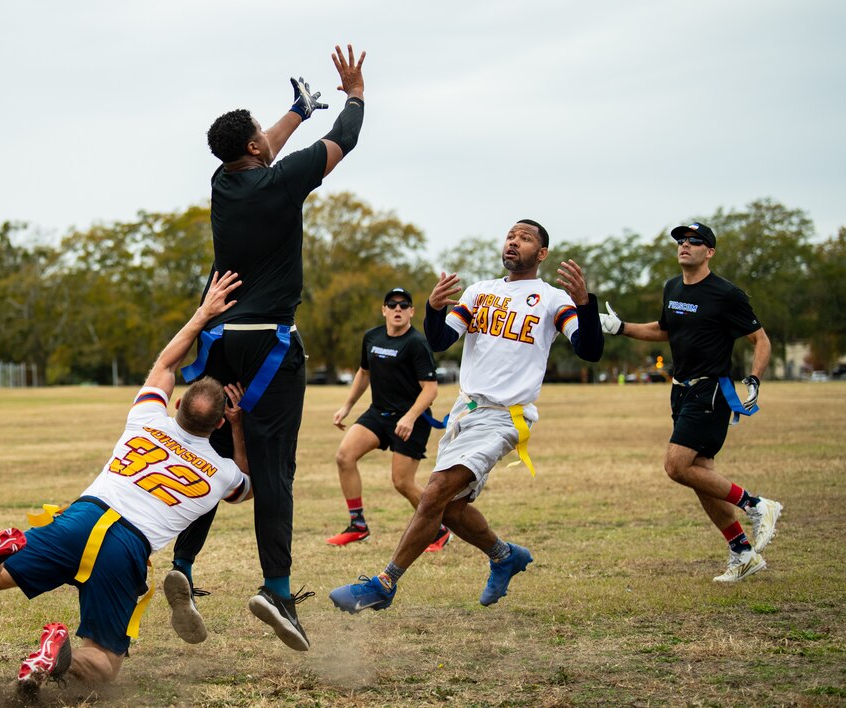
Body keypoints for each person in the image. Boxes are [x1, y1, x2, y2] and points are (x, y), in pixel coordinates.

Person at [0, 271, 252, 687]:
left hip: (80, 518)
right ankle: (53, 660)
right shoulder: (220, 473)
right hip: (126, 547)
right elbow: (246, 488)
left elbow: (166, 363)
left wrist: (203, 313)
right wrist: (239, 427)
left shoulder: (145, 419)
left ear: (176, 404)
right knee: (103, 662)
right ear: (216, 425)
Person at [173, 44, 366, 652]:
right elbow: (348, 137)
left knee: (207, 454)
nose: (267, 137)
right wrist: (354, 92)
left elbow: (263, 149)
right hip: (270, 346)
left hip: (219, 338)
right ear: (256, 148)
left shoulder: (222, 183)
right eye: (263, 133)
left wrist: (295, 112)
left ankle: (184, 564)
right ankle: (276, 590)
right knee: (273, 468)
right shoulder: (283, 183)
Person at [329, 220, 604, 613]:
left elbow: (589, 350)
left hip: (504, 418)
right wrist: (433, 308)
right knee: (452, 508)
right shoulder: (479, 292)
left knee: (435, 493)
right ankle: (504, 555)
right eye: (511, 235)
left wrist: (585, 304)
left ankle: (384, 583)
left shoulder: (551, 299)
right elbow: (441, 340)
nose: (514, 241)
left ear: (541, 254)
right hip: (465, 412)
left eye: (525, 238)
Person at [597, 221, 781, 583]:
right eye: (681, 240)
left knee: (676, 466)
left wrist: (755, 379)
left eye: (695, 241)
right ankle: (743, 553)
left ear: (709, 252)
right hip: (680, 390)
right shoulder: (672, 288)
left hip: (711, 390)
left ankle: (758, 505)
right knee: (701, 476)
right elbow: (665, 330)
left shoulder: (727, 294)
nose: (685, 245)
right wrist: (620, 327)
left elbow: (760, 341)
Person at [328, 286, 451, 552]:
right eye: (392, 305)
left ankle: (439, 530)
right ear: (384, 309)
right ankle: (358, 525)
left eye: (404, 305)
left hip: (412, 420)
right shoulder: (372, 337)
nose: (398, 309)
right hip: (378, 413)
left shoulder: (417, 344)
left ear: (412, 312)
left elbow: (430, 390)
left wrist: (408, 417)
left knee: (402, 483)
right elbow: (363, 372)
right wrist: (347, 405)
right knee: (344, 457)